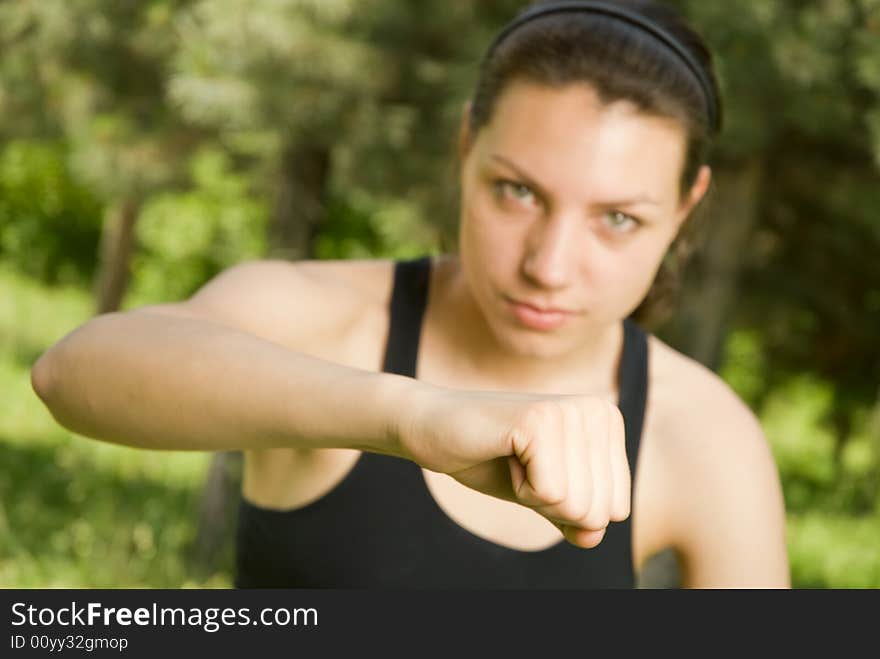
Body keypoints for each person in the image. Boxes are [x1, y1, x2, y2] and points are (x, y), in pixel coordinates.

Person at [31, 0, 790, 588]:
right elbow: (72, 372)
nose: (550, 266)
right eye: (518, 191)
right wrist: (412, 416)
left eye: (619, 219)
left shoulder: (704, 434)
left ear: (687, 206)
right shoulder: (333, 323)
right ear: (466, 147)